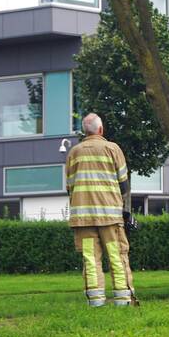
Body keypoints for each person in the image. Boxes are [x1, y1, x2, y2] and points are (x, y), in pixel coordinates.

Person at [65, 113, 136, 306]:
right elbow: (124, 184)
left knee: (90, 258)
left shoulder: (73, 152)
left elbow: (69, 186)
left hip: (83, 218)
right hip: (110, 216)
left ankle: (96, 301)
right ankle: (123, 300)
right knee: (116, 255)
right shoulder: (112, 149)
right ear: (101, 130)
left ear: (84, 131)